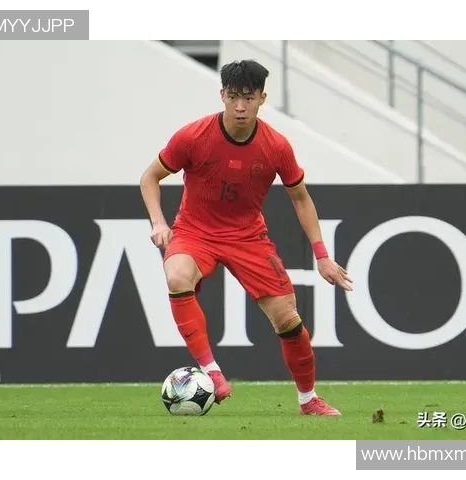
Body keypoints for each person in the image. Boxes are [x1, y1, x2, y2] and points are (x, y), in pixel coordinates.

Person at [140, 59, 353, 416]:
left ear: (262, 99)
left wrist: (322, 256)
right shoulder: (192, 137)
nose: (240, 106)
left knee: (288, 319)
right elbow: (149, 177)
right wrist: (159, 223)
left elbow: (301, 198)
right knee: (176, 276)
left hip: (248, 237)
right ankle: (212, 372)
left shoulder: (276, 146)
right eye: (234, 97)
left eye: (249, 98)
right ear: (222, 95)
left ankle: (308, 400)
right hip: (195, 230)